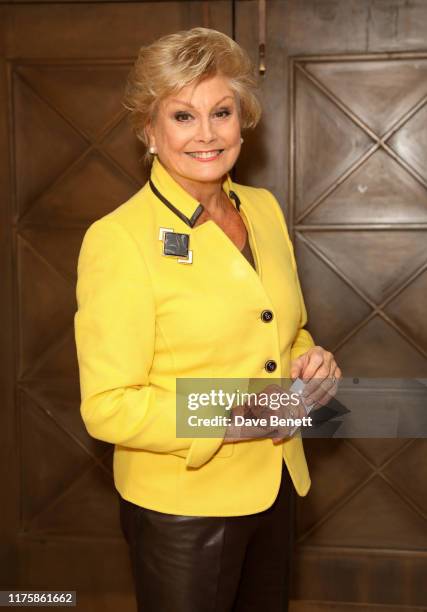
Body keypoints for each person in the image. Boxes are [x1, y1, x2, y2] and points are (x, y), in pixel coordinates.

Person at [74, 27, 342, 612]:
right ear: (149, 130)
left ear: (242, 119)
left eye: (221, 111)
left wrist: (310, 361)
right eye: (182, 116)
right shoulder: (118, 239)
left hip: (275, 482)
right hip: (184, 512)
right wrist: (230, 416)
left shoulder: (264, 210)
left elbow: (282, 327)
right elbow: (108, 405)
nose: (207, 134)